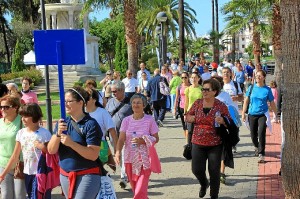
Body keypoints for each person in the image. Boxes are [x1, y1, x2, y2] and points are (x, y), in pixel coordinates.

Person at [47, 86, 102, 199]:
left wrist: (71, 144)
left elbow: (93, 155)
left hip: (87, 174)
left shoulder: (91, 124)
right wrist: (57, 134)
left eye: (69, 101)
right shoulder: (62, 123)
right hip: (65, 175)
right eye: (64, 101)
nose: (65, 104)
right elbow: (51, 150)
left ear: (80, 102)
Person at [185, 79, 232, 199]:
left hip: (215, 143)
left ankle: (214, 196)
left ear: (214, 91)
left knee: (214, 172)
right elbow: (188, 115)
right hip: (197, 142)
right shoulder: (197, 103)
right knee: (196, 169)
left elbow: (230, 122)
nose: (204, 92)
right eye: (203, 89)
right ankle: (204, 183)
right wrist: (191, 118)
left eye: (207, 89)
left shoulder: (220, 105)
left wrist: (223, 121)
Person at [0, 103, 52, 198]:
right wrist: (2, 175)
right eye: (22, 116)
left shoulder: (45, 133)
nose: (23, 119)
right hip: (27, 172)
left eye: (26, 116)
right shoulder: (21, 133)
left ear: (35, 116)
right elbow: (15, 156)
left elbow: (52, 153)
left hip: (41, 173)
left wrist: (42, 147)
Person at [115, 94, 160, 199]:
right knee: (137, 191)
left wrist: (143, 140)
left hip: (144, 160)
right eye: (134, 103)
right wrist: (117, 152)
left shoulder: (149, 120)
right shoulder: (126, 120)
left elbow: (156, 138)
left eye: (139, 102)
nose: (136, 105)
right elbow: (121, 139)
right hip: (129, 159)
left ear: (144, 105)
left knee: (139, 191)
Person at [242, 70, 277, 163]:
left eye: (260, 76)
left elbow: (272, 103)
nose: (258, 77)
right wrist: (243, 113)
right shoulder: (251, 87)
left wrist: (276, 114)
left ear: (264, 77)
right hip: (252, 114)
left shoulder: (267, 89)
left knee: (261, 133)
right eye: (257, 75)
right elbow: (246, 101)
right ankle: (256, 147)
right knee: (253, 135)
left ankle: (261, 154)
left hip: (263, 114)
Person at [105, 81, 132, 189]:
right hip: (113, 135)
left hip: (127, 135)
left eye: (115, 91)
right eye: (112, 92)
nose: (113, 94)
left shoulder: (130, 102)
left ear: (122, 90)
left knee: (125, 154)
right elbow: (106, 116)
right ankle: (125, 172)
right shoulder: (110, 102)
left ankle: (123, 177)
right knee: (118, 155)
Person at [85, 88, 118, 171]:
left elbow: (113, 132)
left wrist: (116, 150)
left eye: (86, 97)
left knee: (96, 171)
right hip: (84, 146)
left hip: (100, 146)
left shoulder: (102, 112)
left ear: (94, 99)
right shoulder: (81, 113)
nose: (83, 100)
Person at [0, 95, 26, 199]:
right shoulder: (0, 122)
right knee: (6, 196)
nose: (3, 109)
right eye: (1, 107)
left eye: (6, 107)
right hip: (2, 164)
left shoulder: (22, 121)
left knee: (19, 196)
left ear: (15, 107)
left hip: (18, 165)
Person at [184, 72, 203, 147]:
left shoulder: (202, 89)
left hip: (199, 112)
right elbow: (186, 102)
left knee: (199, 130)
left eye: (195, 77)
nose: (193, 79)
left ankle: (198, 146)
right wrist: (185, 113)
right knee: (190, 130)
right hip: (190, 112)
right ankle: (189, 146)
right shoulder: (188, 89)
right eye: (192, 77)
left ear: (198, 79)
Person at [174, 72, 190, 140]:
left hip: (189, 107)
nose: (184, 79)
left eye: (185, 77)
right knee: (184, 124)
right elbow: (177, 98)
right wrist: (174, 108)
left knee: (189, 124)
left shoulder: (191, 86)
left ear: (188, 78)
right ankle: (187, 140)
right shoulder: (179, 87)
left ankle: (190, 139)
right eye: (182, 78)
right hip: (181, 107)